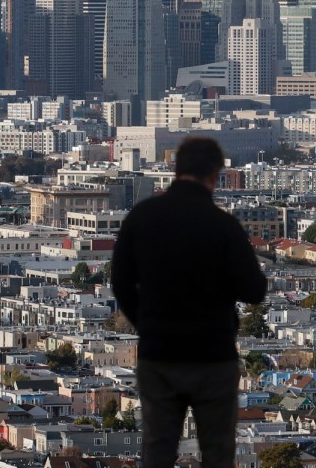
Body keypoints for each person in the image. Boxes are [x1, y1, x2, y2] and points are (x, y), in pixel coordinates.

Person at [112, 137, 267, 467]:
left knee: (158, 445)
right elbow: (254, 290)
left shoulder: (142, 218)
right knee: (216, 449)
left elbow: (121, 283)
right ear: (215, 174)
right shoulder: (224, 226)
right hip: (212, 354)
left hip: (160, 353)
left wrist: (148, 324)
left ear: (174, 169)